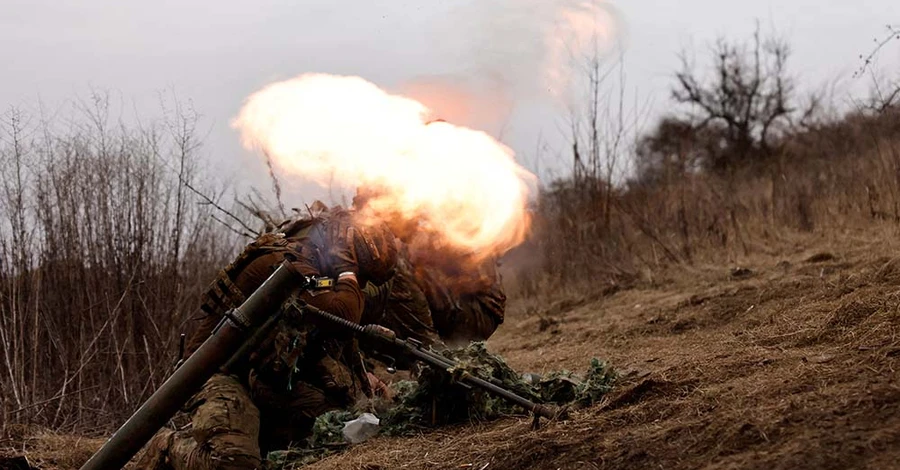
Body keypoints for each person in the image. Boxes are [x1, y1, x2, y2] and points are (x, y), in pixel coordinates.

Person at [137, 208, 398, 470]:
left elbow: (327, 340)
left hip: (264, 376)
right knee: (234, 463)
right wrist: (348, 270)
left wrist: (364, 380)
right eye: (359, 275)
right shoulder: (285, 263)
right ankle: (169, 446)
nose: (359, 284)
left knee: (336, 427)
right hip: (214, 374)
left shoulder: (320, 272)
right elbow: (342, 315)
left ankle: (265, 440)